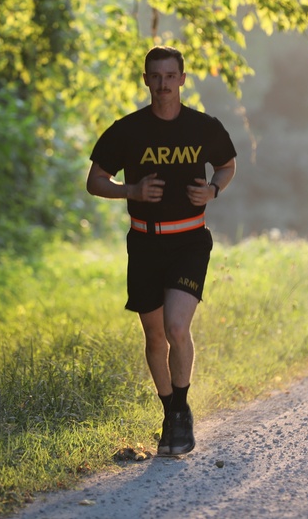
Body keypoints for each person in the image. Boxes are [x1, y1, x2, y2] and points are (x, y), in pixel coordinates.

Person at [85, 45, 237, 457]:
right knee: (154, 337)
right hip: (145, 242)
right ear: (146, 79)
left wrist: (214, 189)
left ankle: (182, 410)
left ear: (183, 79)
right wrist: (130, 190)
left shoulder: (204, 128)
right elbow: (95, 180)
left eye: (171, 76)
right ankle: (170, 412)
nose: (163, 84)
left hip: (189, 240)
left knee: (175, 327)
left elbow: (227, 164)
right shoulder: (127, 130)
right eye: (156, 76)